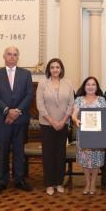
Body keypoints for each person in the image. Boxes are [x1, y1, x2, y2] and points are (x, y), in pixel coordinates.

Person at [0, 47, 34, 195]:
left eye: (15, 55)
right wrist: (8, 110)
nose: (12, 57)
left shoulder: (26, 74)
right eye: (9, 54)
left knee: (19, 151)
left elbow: (29, 95)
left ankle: (19, 180)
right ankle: (1, 181)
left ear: (18, 57)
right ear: (4, 56)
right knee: (3, 151)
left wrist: (16, 111)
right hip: (2, 119)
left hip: (20, 119)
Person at [36, 58, 75, 195]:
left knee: (60, 154)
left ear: (61, 69)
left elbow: (71, 104)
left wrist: (63, 121)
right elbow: (40, 105)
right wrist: (52, 121)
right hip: (47, 124)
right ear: (49, 70)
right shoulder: (42, 84)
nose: (55, 70)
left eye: (57, 67)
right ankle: (49, 184)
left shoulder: (68, 83)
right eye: (52, 67)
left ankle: (59, 182)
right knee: (48, 154)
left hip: (63, 124)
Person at [72, 77, 106, 195]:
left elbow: (105, 116)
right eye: (88, 84)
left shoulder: (101, 100)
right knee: (85, 160)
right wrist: (76, 120)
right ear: (84, 86)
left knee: (96, 160)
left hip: (98, 134)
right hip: (83, 134)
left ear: (97, 87)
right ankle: (87, 183)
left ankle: (93, 183)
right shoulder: (79, 100)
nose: (91, 87)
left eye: (93, 84)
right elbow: (74, 115)